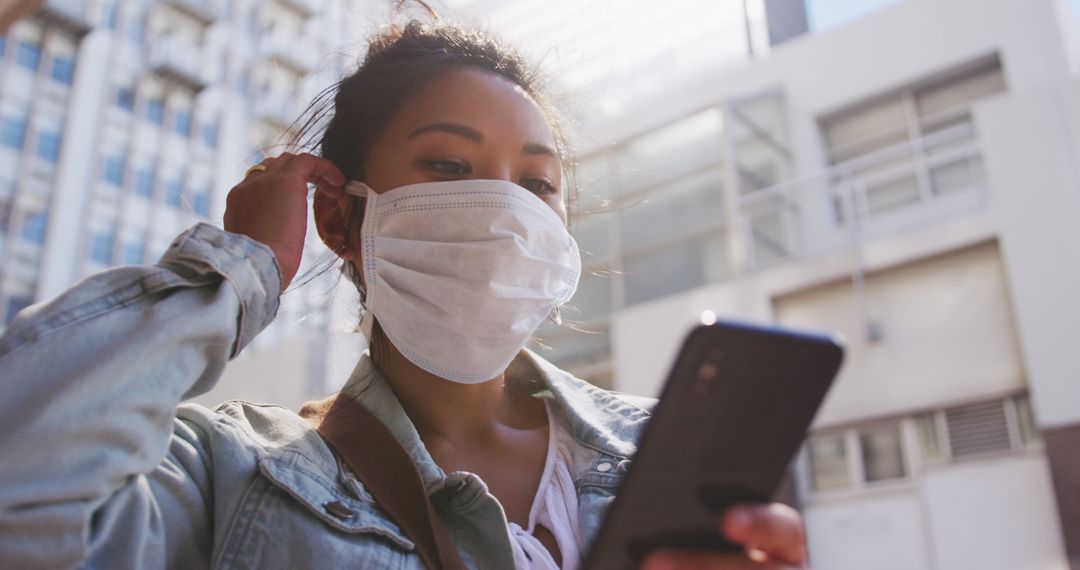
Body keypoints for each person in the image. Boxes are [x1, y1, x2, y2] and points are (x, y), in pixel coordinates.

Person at [0, 16, 809, 570]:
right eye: (450, 168)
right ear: (340, 217)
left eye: (538, 183)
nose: (505, 213)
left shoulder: (661, 462)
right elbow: (22, 496)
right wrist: (241, 268)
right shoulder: (229, 471)